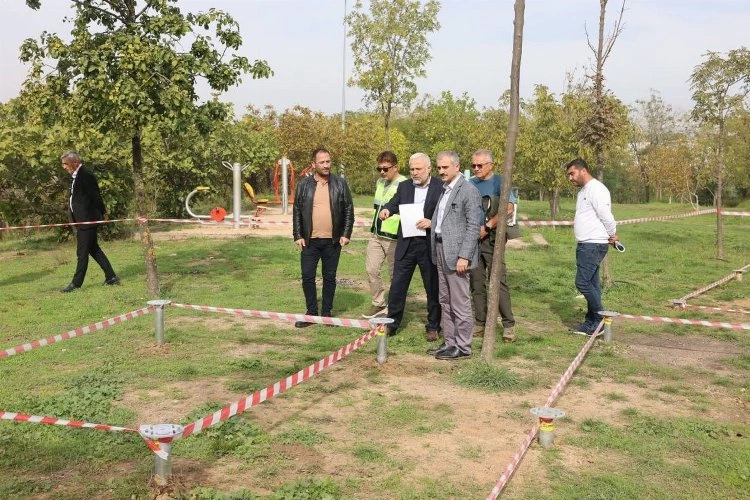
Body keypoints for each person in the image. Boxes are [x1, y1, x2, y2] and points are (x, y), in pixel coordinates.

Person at [379, 153, 443, 341]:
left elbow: (447, 213)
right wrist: (387, 210)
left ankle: (433, 325)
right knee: (397, 286)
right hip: (406, 243)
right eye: (412, 169)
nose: (414, 173)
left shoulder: (440, 187)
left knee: (432, 287)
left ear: (429, 169)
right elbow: (395, 203)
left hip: (428, 244)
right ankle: (392, 323)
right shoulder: (404, 186)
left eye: (418, 169)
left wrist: (432, 223)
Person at [292, 148, 354, 328]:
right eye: (322, 162)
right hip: (309, 241)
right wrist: (298, 235)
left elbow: (349, 209)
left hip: (332, 242)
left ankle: (327, 314)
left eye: (328, 161)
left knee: (329, 277)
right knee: (307, 276)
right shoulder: (304, 185)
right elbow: (297, 211)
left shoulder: (340, 184)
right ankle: (311, 313)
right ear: (313, 165)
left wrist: (345, 234)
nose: (326, 165)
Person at [429, 151, 483, 360]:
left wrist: (465, 256)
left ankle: (463, 347)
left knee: (459, 302)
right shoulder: (445, 189)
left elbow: (472, 227)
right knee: (445, 299)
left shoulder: (468, 190)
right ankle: (450, 342)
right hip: (442, 250)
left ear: (457, 167)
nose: (441, 171)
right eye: (439, 167)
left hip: (458, 255)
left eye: (445, 167)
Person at [468, 149, 518, 343]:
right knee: (476, 282)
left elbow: (509, 207)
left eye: (480, 165)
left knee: (498, 281)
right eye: (473, 165)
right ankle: (480, 322)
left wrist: (488, 226)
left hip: (492, 239)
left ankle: (508, 325)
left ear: (491, 165)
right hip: (472, 240)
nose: (476, 169)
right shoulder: (470, 183)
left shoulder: (500, 182)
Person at [565, 158, 619, 335]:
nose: (570, 178)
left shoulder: (596, 189)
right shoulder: (584, 191)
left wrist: (612, 234)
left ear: (583, 171)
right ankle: (591, 321)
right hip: (587, 243)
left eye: (572, 174)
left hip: (593, 244)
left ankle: (598, 320)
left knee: (582, 282)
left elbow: (606, 215)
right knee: (592, 284)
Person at [60, 151, 120, 292]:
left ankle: (76, 284)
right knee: (94, 249)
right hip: (82, 220)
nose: (64, 167)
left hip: (87, 221)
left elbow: (96, 197)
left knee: (82, 253)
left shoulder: (86, 175)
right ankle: (111, 277)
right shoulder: (77, 176)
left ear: (75, 162)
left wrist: (103, 212)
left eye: (65, 164)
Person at [363, 151, 406, 319]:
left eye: (385, 169)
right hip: (376, 234)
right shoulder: (380, 183)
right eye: (379, 168)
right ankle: (378, 303)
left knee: (395, 274)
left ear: (396, 167)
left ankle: (394, 308)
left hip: (394, 238)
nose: (382, 172)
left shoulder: (404, 184)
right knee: (371, 269)